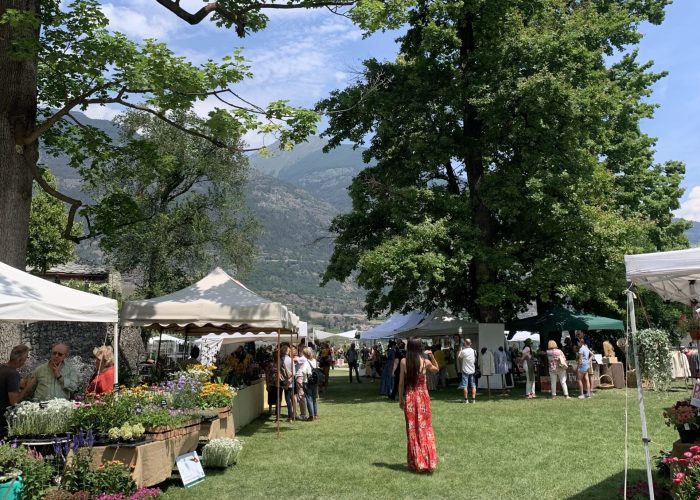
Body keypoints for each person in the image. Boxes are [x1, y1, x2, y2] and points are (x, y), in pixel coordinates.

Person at [398, 337, 438, 474]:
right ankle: (428, 461)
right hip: (423, 398)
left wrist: (400, 399)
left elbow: (401, 383)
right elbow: (436, 369)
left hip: (410, 397)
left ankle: (417, 462)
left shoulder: (404, 362)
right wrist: (432, 356)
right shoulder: (425, 362)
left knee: (413, 429)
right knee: (425, 428)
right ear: (420, 347)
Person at [0, 345, 30, 437]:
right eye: (26, 358)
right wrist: (27, 387)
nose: (25, 361)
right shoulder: (13, 374)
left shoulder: (2, 367)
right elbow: (14, 401)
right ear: (19, 360)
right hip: (3, 419)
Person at [302, 347, 319, 421]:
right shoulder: (315, 361)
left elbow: (303, 371)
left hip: (307, 382)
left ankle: (311, 416)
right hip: (315, 382)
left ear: (305, 355)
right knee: (314, 399)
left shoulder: (306, 362)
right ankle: (315, 415)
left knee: (309, 399)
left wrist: (304, 377)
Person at [458, 338, 477, 403]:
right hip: (472, 369)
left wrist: (460, 350)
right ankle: (473, 399)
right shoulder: (474, 351)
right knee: (473, 385)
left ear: (465, 343)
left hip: (465, 369)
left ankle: (466, 400)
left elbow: (459, 358)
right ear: (470, 343)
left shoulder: (463, 351)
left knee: (465, 385)